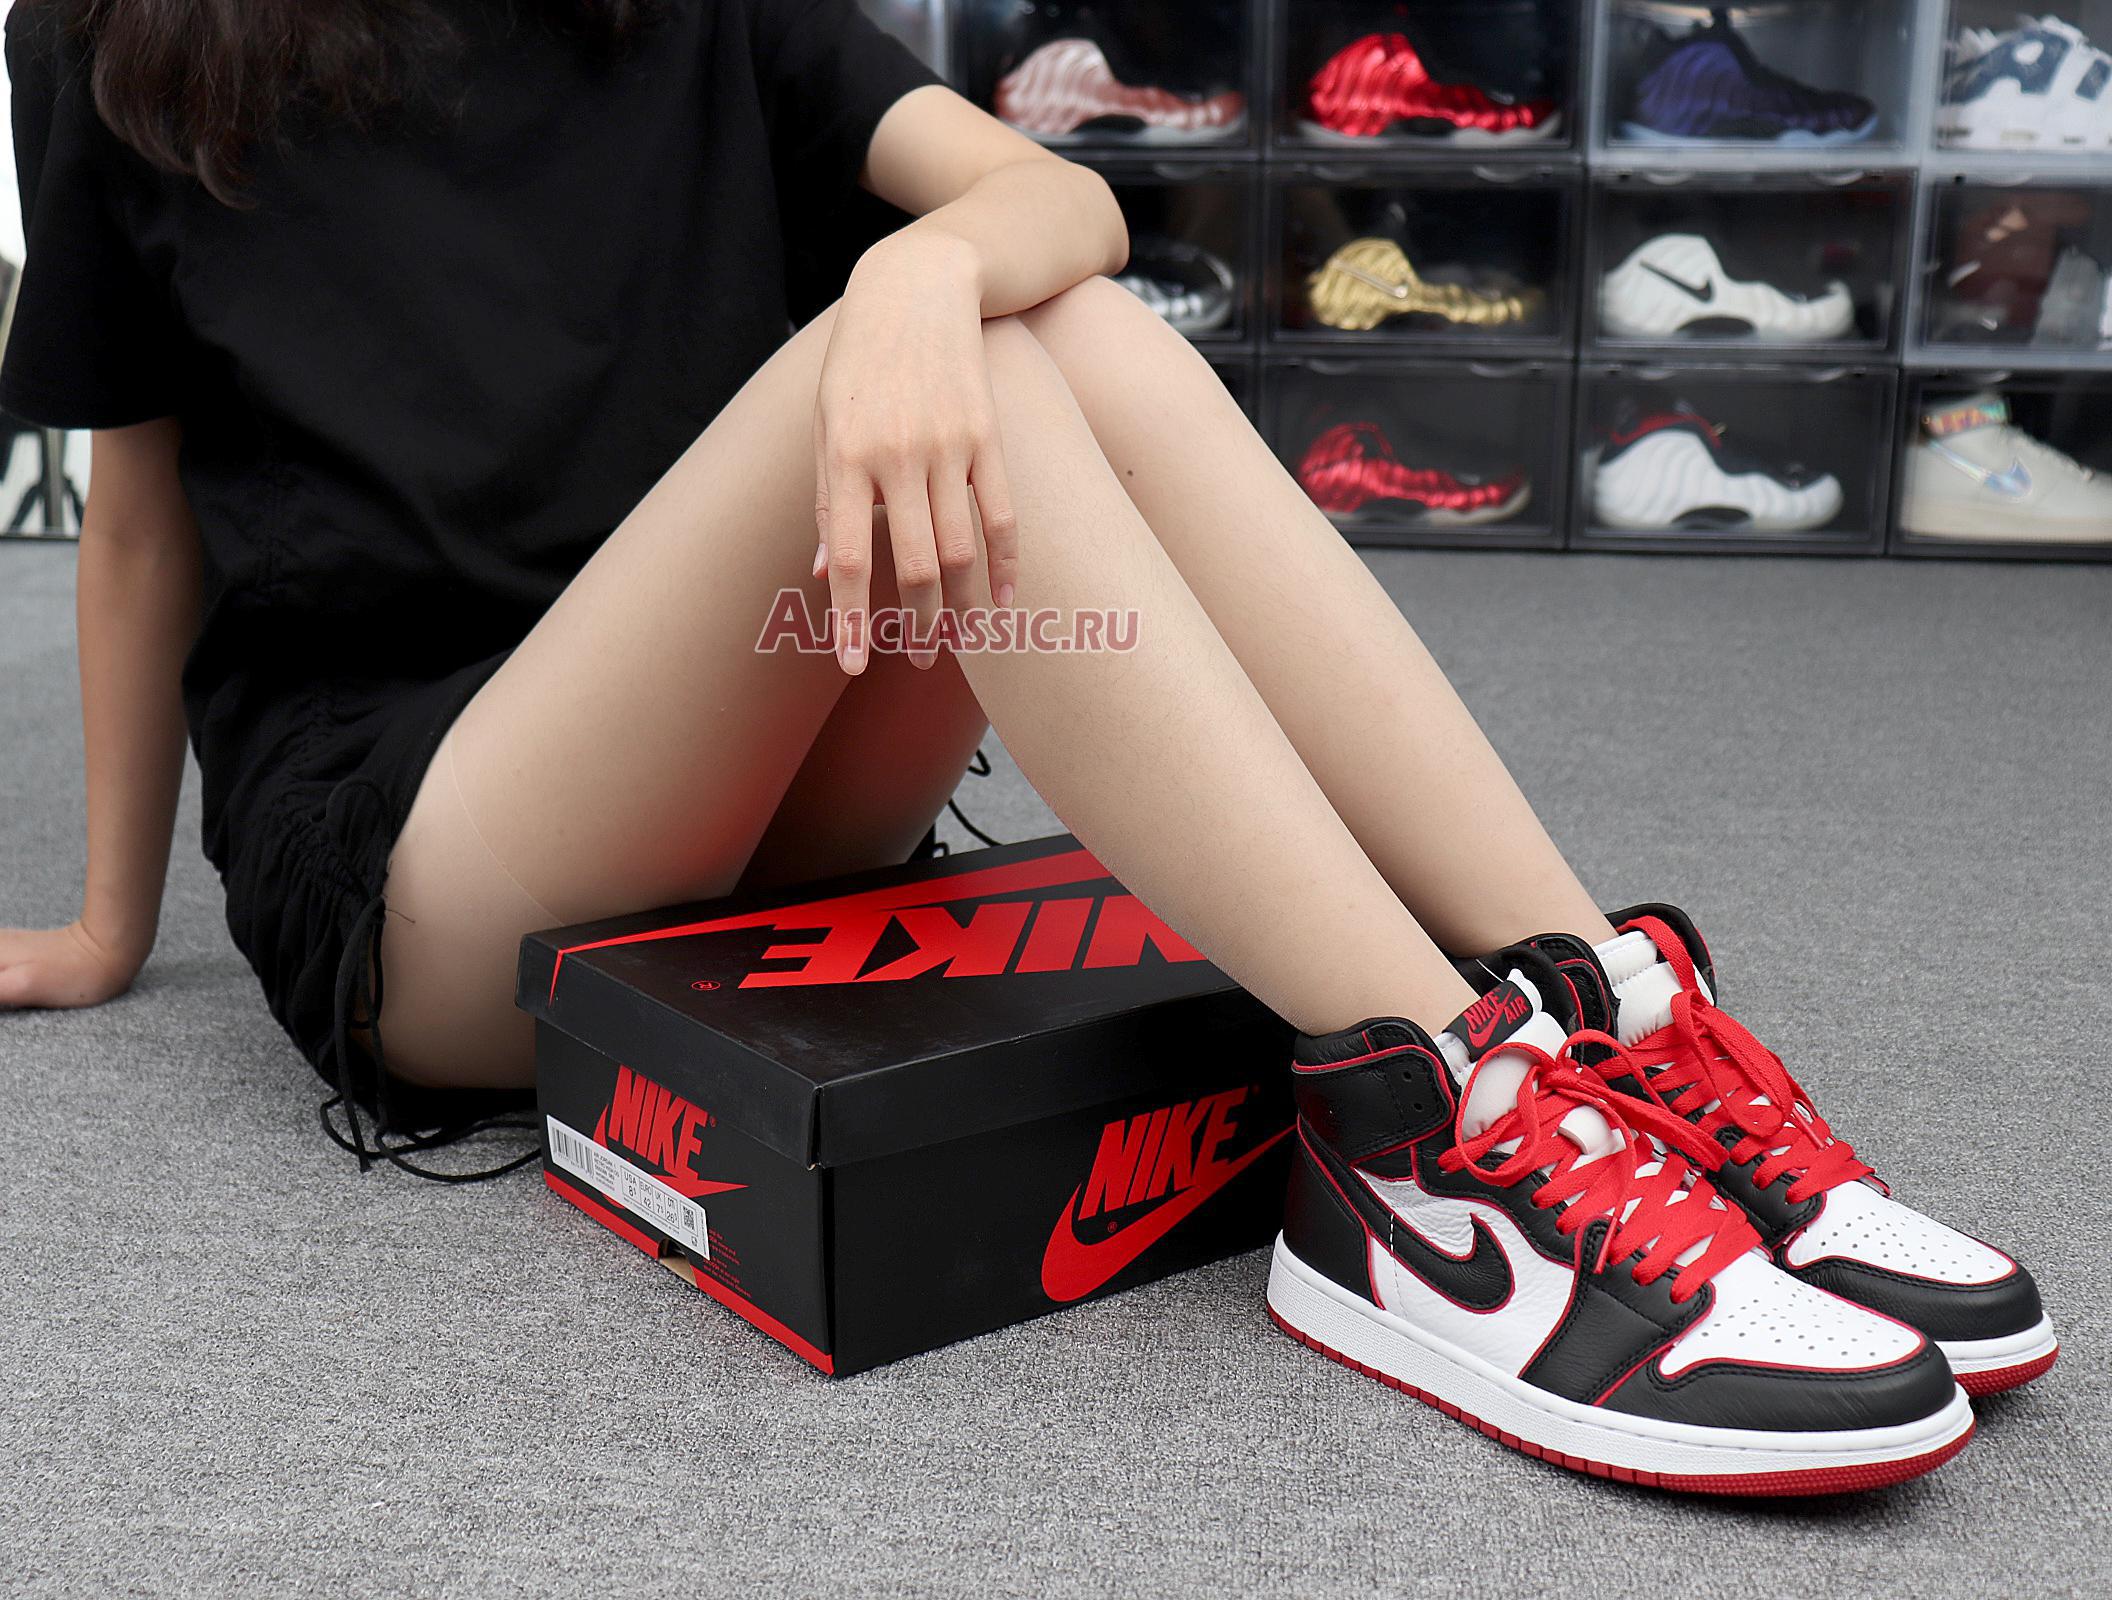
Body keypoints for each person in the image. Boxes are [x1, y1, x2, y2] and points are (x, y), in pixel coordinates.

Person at [0, 0, 2053, 1491]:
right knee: (952, 359)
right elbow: (141, 512)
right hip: (428, 850)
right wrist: (107, 922)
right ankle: (1436, 1127)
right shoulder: (111, 38)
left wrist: (919, 271)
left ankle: (1590, 1006)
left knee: (1040, 322)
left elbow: (1051, 199)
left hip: (759, 740)